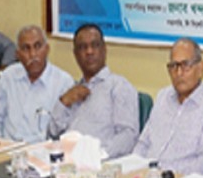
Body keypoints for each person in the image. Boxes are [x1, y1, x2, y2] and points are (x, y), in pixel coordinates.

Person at [134, 38, 203, 174]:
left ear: (200, 68)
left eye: (185, 65)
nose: (178, 73)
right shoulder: (163, 97)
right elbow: (144, 143)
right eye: (173, 66)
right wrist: (134, 168)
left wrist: (165, 174)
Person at [48, 24, 139, 158]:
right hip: (64, 163)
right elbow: (52, 133)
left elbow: (128, 137)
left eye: (95, 45)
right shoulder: (73, 90)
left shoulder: (118, 86)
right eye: (82, 47)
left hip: (98, 164)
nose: (89, 51)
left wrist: (97, 155)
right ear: (75, 55)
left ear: (104, 49)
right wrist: (64, 102)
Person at [0, 25, 74, 142]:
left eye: (37, 47)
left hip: (40, 153)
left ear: (47, 49)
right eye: (26, 48)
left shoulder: (64, 83)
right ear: (17, 54)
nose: (33, 54)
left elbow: (63, 133)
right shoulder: (8, 76)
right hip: (4, 150)